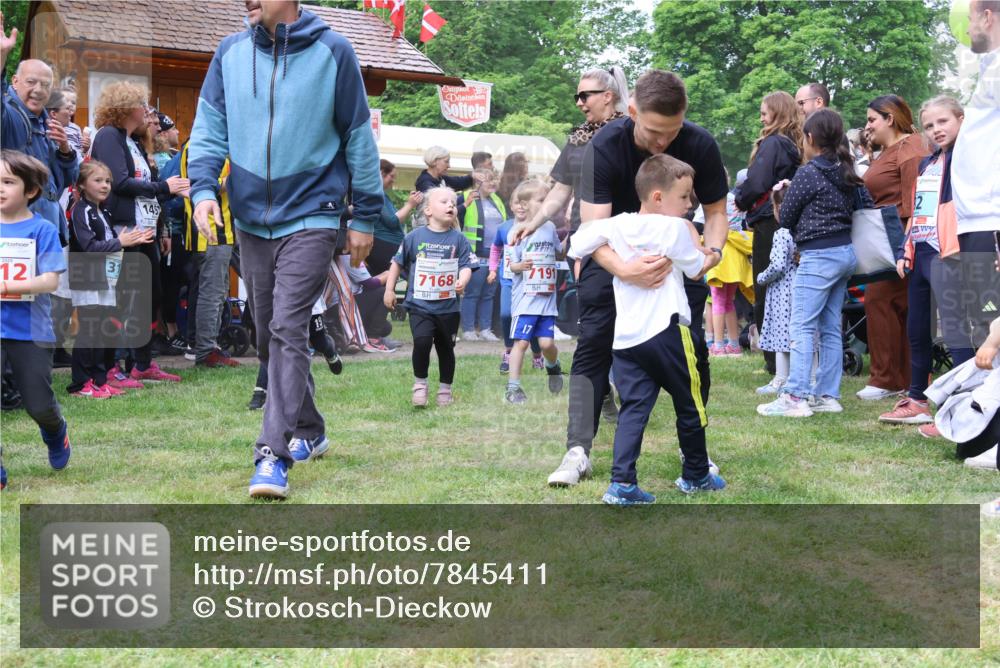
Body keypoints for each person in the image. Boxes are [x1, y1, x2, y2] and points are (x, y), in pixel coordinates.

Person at [188, 0, 384, 499]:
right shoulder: (229, 53)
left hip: (315, 213)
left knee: (287, 326)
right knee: (267, 331)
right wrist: (204, 190)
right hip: (252, 217)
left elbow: (359, 138)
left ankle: (272, 454)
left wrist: (364, 214)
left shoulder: (334, 52)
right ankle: (312, 429)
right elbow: (209, 129)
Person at [544, 69, 729, 488]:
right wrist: (626, 270)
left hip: (676, 267)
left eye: (672, 131)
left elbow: (716, 213)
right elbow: (592, 230)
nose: (663, 142)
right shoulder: (604, 146)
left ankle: (694, 451)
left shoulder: (699, 144)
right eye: (653, 131)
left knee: (692, 352)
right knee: (594, 344)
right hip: (610, 260)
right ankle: (578, 450)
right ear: (631, 111)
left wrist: (711, 253)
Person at [569, 154, 723, 503]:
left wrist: (622, 265)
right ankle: (697, 474)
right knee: (690, 404)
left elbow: (578, 244)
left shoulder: (617, 224)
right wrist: (713, 252)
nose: (689, 205)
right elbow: (698, 268)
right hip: (669, 332)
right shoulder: (673, 229)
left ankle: (621, 484)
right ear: (658, 197)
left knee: (634, 409)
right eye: (684, 197)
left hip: (627, 340)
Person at [758, 109, 872, 417]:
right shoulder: (846, 170)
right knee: (831, 327)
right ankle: (827, 395)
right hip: (845, 255)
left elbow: (788, 218)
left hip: (818, 257)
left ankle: (795, 396)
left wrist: (780, 197)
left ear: (810, 139)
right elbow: (865, 205)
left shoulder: (809, 173)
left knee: (802, 326)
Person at [90, 81, 187, 383]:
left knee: (150, 296)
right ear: (125, 107)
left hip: (145, 232)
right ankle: (111, 366)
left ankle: (141, 363)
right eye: (142, 105)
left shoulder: (134, 141)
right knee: (122, 299)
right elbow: (117, 182)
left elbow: (148, 193)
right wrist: (164, 187)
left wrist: (162, 227)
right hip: (123, 232)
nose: (147, 111)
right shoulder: (109, 136)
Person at [879, 96, 965, 429]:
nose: (936, 130)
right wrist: (906, 249)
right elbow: (918, 212)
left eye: (943, 122)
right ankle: (918, 399)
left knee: (958, 331)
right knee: (918, 329)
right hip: (922, 253)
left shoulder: (968, 160)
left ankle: (961, 406)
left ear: (960, 118)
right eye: (929, 125)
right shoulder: (927, 163)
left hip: (952, 253)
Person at [0, 150, 72, 487]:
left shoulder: (42, 229)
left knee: (37, 402)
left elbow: (51, 280)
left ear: (30, 191)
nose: (0, 188)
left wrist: (9, 286)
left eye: (7, 182)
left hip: (30, 330)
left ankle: (55, 430)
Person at [860, 94, 930, 400]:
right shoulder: (890, 150)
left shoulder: (911, 149)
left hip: (900, 239)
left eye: (872, 119)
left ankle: (886, 379)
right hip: (885, 239)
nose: (867, 126)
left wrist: (906, 247)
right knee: (895, 307)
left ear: (890, 118)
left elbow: (914, 201)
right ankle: (900, 377)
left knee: (881, 302)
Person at [67, 160, 154, 397]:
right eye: (98, 180)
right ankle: (80, 383)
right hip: (86, 277)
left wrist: (128, 242)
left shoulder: (103, 211)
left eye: (107, 181)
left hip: (106, 278)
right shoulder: (81, 210)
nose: (105, 185)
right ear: (82, 185)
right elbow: (89, 246)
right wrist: (120, 242)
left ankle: (99, 379)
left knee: (102, 330)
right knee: (89, 330)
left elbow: (110, 245)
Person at [384, 187, 473, 407]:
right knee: (422, 342)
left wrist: (462, 280)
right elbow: (397, 262)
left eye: (453, 202)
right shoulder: (414, 237)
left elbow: (467, 265)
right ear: (428, 210)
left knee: (445, 349)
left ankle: (445, 390)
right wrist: (389, 289)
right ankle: (420, 385)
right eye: (444, 202)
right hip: (420, 305)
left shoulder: (459, 239)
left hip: (448, 308)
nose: (451, 205)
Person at [517, 67, 629, 238]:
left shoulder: (628, 133)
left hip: (619, 235)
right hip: (580, 234)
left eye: (584, 96)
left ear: (607, 96)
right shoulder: (578, 139)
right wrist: (533, 224)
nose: (578, 103)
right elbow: (561, 189)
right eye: (577, 97)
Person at [950, 0, 1000, 376]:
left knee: (991, 324)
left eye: (969, 20)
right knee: (981, 321)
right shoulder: (990, 69)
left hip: (991, 219)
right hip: (974, 222)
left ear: (987, 16)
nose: (966, 29)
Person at [735, 91, 802, 371]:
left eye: (765, 112)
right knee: (786, 291)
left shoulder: (773, 143)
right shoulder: (793, 144)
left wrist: (740, 199)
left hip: (768, 222)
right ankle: (785, 358)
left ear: (778, 112)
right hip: (783, 219)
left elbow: (758, 180)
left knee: (766, 287)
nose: (761, 117)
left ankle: (774, 361)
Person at [179, 141, 239, 368]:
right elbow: (196, 185)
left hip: (222, 232)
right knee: (210, 294)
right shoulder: (199, 145)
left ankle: (210, 347)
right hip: (209, 232)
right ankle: (204, 351)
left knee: (218, 291)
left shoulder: (219, 146)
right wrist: (233, 182)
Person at [504, 194, 564, 405]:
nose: (547, 203)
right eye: (541, 199)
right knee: (521, 342)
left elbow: (560, 252)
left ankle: (553, 366)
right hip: (525, 301)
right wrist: (519, 267)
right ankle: (513, 388)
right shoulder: (516, 231)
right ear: (524, 204)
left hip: (547, 300)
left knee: (547, 344)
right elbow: (511, 264)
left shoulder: (549, 228)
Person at [488, 179, 545, 372]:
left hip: (532, 282)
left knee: (533, 319)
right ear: (510, 206)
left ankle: (537, 354)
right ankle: (509, 351)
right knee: (506, 315)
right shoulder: (504, 228)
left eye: (524, 203)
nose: (520, 207)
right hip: (509, 280)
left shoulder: (540, 227)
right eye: (516, 203)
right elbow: (496, 248)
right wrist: (493, 269)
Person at [755, 181, 797, 394]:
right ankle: (811, 376)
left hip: (782, 291)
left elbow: (778, 265)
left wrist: (762, 277)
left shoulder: (781, 233)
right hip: (800, 287)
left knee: (782, 336)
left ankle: (780, 378)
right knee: (803, 334)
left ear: (779, 208)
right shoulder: (802, 230)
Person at [457, 168, 506, 341]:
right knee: (472, 293)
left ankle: (486, 329)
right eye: (489, 179)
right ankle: (469, 329)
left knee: (489, 294)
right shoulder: (464, 196)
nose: (494, 183)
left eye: (496, 179)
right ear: (478, 180)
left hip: (495, 257)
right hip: (474, 256)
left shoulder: (497, 200)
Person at [371, 159, 422, 275]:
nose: (393, 181)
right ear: (381, 173)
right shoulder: (376, 194)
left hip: (388, 245)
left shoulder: (383, 196)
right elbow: (392, 221)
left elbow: (397, 220)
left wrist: (408, 205)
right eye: (391, 176)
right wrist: (410, 205)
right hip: (383, 246)